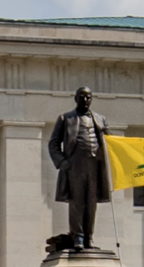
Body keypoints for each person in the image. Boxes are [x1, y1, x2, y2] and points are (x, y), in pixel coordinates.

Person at [47, 86, 111, 250]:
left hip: (95, 166)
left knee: (91, 202)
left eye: (88, 97)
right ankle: (78, 238)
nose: (85, 100)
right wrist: (62, 162)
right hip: (74, 165)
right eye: (82, 96)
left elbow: (110, 142)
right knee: (77, 202)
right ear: (75, 98)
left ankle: (89, 237)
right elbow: (53, 143)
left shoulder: (100, 119)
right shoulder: (66, 118)